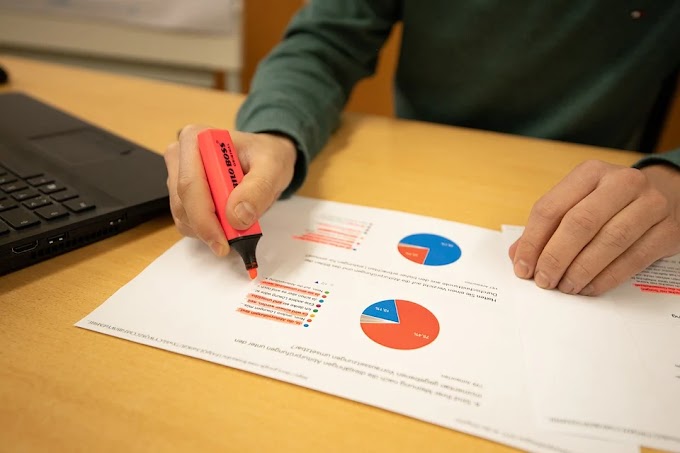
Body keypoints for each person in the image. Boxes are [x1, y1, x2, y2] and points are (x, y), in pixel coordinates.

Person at [164, 1, 680, 296]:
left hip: (606, 193)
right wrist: (276, 132)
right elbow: (325, 42)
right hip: (412, 175)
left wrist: (672, 178)